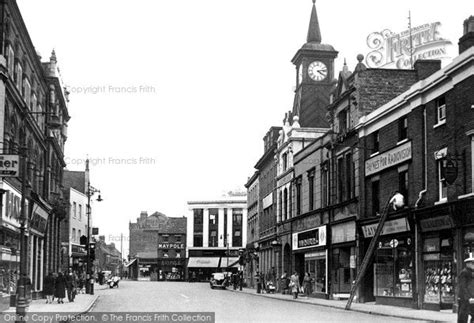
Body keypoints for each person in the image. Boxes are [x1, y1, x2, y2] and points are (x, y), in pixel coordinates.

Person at [457, 256, 474, 323]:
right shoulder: (464, 272)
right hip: (465, 299)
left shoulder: (472, 272)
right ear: (468, 264)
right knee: (463, 316)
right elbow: (463, 287)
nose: (473, 265)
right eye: (472, 263)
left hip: (472, 297)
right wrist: (468, 298)